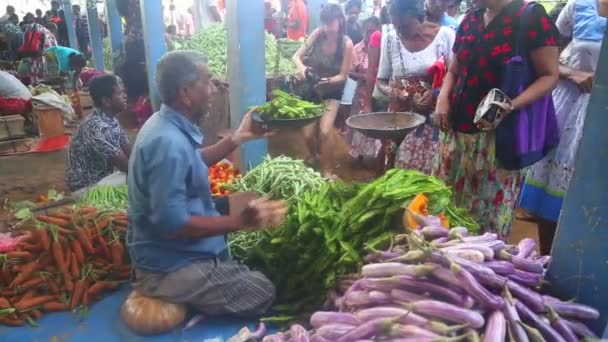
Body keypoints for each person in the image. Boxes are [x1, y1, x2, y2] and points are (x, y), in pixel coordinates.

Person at [128, 51, 286, 317]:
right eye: (207, 81)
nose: (213, 90)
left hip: (172, 241)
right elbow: (173, 226)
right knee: (262, 291)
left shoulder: (164, 123)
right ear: (185, 93)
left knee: (244, 198)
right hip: (168, 263)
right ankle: (167, 289)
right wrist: (240, 223)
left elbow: (193, 160)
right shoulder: (167, 143)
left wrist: (237, 139)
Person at [433, 0, 559, 238]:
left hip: (496, 140)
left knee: (485, 221)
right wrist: (443, 98)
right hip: (455, 133)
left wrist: (510, 106)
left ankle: (479, 269)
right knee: (445, 208)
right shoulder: (470, 19)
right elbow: (454, 69)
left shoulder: (530, 18)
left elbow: (549, 75)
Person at [519, 0, 606, 254]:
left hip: (602, 115)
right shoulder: (578, 7)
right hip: (569, 110)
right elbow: (545, 59)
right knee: (551, 189)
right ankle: (548, 263)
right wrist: (572, 73)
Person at [375, 0, 454, 175]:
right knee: (395, 170)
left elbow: (455, 75)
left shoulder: (445, 36)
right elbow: (380, 81)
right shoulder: (390, 39)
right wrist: (393, 92)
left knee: (427, 172)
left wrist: (436, 94)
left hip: (432, 121)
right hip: (399, 117)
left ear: (418, 17)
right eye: (396, 26)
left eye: (404, 26)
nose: (399, 31)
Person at [293, 4, 353, 178]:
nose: (327, 27)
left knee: (326, 131)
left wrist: (325, 81)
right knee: (307, 134)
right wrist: (302, 68)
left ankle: (328, 170)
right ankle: (314, 155)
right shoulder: (317, 34)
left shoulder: (346, 44)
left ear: (340, 21)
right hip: (311, 87)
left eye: (331, 22)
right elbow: (296, 56)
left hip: (332, 90)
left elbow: (343, 76)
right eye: (325, 23)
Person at [66, 74, 130, 199]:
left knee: (146, 174)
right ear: (106, 101)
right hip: (87, 189)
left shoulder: (111, 120)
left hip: (104, 180)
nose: (125, 96)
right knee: (143, 179)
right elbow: (127, 166)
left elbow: (130, 152)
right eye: (120, 93)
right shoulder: (96, 127)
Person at [348, 17, 384, 161]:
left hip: (380, 93)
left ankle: (377, 157)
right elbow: (349, 72)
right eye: (367, 31)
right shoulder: (357, 49)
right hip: (362, 93)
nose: (369, 34)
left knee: (378, 124)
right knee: (361, 125)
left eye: (372, 31)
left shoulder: (384, 47)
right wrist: (363, 77)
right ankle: (360, 156)